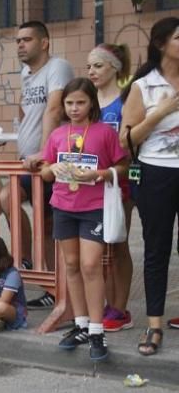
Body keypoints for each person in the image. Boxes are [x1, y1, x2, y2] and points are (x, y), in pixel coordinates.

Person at [40, 78, 127, 361]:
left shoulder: (104, 133)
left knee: (91, 265)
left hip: (94, 207)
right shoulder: (57, 134)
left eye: (80, 102)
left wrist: (99, 174)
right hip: (63, 206)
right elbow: (44, 171)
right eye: (69, 103)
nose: (74, 108)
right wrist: (50, 168)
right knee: (72, 265)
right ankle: (81, 325)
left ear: (92, 103)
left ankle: (97, 330)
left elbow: (123, 165)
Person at [0, 21, 74, 308]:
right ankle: (28, 261)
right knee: (8, 197)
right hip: (29, 160)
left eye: (27, 39)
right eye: (18, 40)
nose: (20, 44)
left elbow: (55, 109)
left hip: (50, 161)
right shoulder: (25, 73)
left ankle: (56, 289)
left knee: (50, 223)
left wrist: (44, 152)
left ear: (44, 42)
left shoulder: (58, 67)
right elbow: (25, 107)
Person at [120, 16, 179, 355]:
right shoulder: (145, 86)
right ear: (160, 44)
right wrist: (160, 113)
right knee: (157, 250)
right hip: (156, 172)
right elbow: (126, 141)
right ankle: (154, 325)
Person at [87, 43, 135, 332]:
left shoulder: (126, 101)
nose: (91, 71)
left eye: (98, 66)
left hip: (118, 181)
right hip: (91, 183)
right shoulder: (88, 101)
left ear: (114, 68)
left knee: (117, 243)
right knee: (98, 246)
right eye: (89, 66)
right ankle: (105, 303)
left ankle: (120, 307)